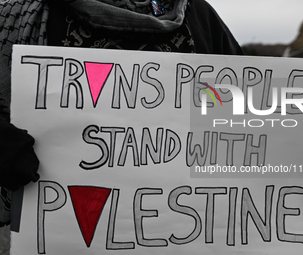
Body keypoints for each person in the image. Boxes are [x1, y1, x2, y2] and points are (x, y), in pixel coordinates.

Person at [0, 0, 243, 226]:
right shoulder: (20, 15)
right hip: (62, 231)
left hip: (180, 226)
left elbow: (242, 108)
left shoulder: (199, 16)